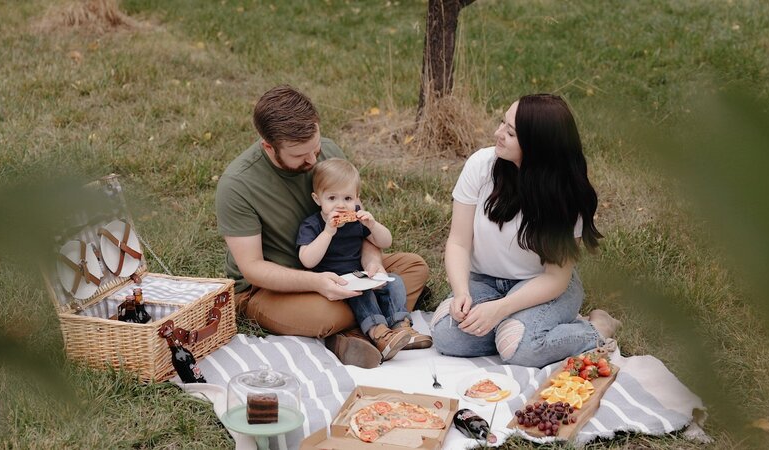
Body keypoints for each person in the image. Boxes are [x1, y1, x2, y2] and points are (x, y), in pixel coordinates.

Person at [216, 85, 429, 369]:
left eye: (315, 149)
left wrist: (372, 259)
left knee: (414, 268)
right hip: (270, 287)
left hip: (341, 265)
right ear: (269, 146)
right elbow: (252, 268)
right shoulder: (237, 185)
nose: (313, 160)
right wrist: (318, 283)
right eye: (300, 156)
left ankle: (358, 330)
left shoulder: (328, 151)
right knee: (325, 315)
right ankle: (355, 330)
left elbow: (357, 221)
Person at [431, 94, 620, 368]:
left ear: (538, 145)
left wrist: (499, 310)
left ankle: (597, 328)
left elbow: (556, 277)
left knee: (520, 350)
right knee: (447, 336)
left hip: (541, 286)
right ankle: (517, 330)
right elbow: (458, 243)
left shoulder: (566, 195)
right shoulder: (481, 166)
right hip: (484, 281)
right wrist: (461, 292)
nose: (498, 134)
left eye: (510, 132)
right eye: (502, 124)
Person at [297, 158, 433, 362]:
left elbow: (386, 242)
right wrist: (327, 232)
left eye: (348, 198)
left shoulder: (357, 219)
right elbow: (307, 260)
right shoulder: (313, 225)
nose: (341, 205)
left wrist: (373, 225)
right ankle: (378, 333)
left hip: (360, 273)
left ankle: (401, 327)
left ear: (357, 199)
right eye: (332, 198)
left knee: (394, 280)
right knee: (361, 292)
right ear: (318, 199)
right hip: (334, 281)